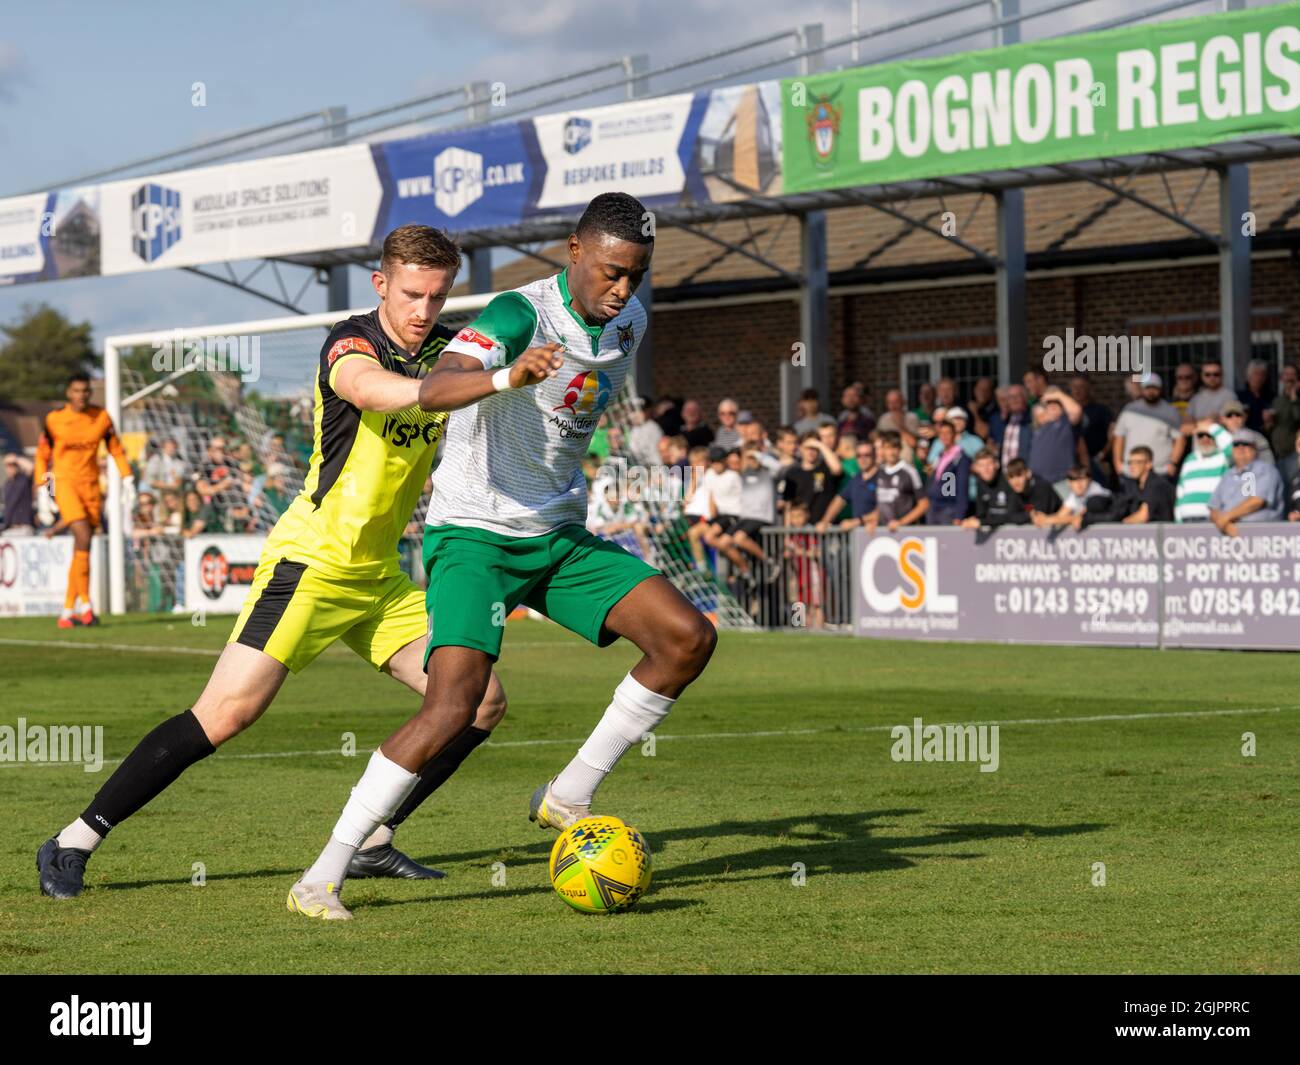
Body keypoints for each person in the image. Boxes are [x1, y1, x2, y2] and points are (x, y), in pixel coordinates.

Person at [37, 225, 508, 901]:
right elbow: (372, 390)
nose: (423, 310)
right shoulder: (350, 343)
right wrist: (474, 379)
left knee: (479, 702)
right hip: (311, 562)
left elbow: (507, 344)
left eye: (437, 296)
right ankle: (72, 839)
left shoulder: (449, 348)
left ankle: (373, 836)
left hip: (378, 577)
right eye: (411, 294)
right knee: (224, 714)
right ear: (381, 284)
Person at [290, 193, 716, 920]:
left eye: (636, 276)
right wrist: (505, 376)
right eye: (611, 271)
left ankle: (569, 794)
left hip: (558, 534)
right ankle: (321, 875)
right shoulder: (518, 315)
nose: (622, 290)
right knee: (454, 703)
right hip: (476, 535)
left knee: (687, 637)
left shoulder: (631, 321)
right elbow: (434, 387)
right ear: (574, 251)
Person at [34, 373, 134, 628]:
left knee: (83, 547)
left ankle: (68, 611)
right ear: (68, 392)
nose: (82, 395)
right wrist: (42, 489)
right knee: (83, 535)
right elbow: (42, 455)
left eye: (86, 391)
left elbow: (116, 449)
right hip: (64, 484)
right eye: (77, 391)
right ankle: (87, 606)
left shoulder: (101, 417)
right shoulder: (54, 419)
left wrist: (127, 478)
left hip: (91, 486)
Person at [1208, 432, 1285, 536]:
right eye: (1236, 445)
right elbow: (1213, 507)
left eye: (1245, 444)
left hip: (1262, 535)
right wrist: (1225, 525)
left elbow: (1257, 501)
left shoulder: (1266, 470)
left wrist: (1226, 518)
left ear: (1255, 449)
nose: (1241, 448)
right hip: (1229, 532)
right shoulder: (1228, 475)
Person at [1112, 372, 1183, 479]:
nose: (1151, 392)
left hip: (1160, 471)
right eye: (1147, 388)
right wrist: (1118, 463)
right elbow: (1119, 436)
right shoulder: (1129, 409)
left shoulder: (1170, 411)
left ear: (1160, 389)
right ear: (1142, 389)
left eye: (1154, 388)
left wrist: (1173, 463)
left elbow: (1180, 439)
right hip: (1131, 470)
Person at [1175, 420, 1231, 523]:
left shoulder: (1224, 457)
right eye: (1201, 435)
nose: (1205, 439)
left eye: (1209, 435)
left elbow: (1232, 446)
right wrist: (1178, 520)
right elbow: (1180, 492)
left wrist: (1212, 427)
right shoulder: (1190, 459)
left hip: (1212, 519)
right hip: (1187, 519)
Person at [1029, 386, 1083, 489]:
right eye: (1049, 403)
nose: (1052, 405)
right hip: (1040, 483)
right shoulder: (1041, 426)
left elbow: (1076, 411)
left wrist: (1058, 395)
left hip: (1062, 481)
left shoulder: (1065, 423)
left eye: (1056, 402)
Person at [818, 437, 878, 531]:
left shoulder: (883, 478)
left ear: (874, 456)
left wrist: (858, 521)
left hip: (881, 535)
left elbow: (886, 509)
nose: (862, 459)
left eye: (867, 455)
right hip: (860, 537)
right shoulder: (856, 479)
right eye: (859, 455)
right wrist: (825, 521)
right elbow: (840, 500)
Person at [874, 431, 925, 532]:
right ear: (882, 450)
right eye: (888, 448)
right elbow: (881, 504)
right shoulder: (879, 472)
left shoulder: (910, 472)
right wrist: (873, 521)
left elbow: (924, 504)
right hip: (883, 532)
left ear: (900, 449)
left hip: (905, 532)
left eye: (895, 448)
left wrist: (901, 523)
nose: (891, 452)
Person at [1111, 446, 1176, 524]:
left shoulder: (1157, 484)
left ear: (1148, 464)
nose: (1132, 466)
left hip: (1163, 532)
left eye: (1137, 462)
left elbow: (1143, 516)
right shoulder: (1135, 485)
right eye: (1130, 462)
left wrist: (1119, 525)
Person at [1270, 363, 1300, 460]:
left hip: (1294, 452)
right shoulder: (1276, 400)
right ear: (1281, 378)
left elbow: (1298, 418)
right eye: (1286, 374)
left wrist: (1294, 398)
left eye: (1292, 374)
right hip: (1277, 452)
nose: (1289, 378)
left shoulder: (1297, 400)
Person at [1236, 359, 1274, 434]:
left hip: (1265, 436)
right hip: (1245, 436)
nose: (1259, 378)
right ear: (1248, 377)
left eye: (1262, 375)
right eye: (1256, 374)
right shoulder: (1240, 397)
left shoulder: (1271, 396)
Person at [1, 453, 36, 535]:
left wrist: (16, 459)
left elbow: (32, 467)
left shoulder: (23, 480)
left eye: (13, 465)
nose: (10, 468)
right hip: (10, 528)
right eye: (8, 465)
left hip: (23, 528)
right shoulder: (7, 484)